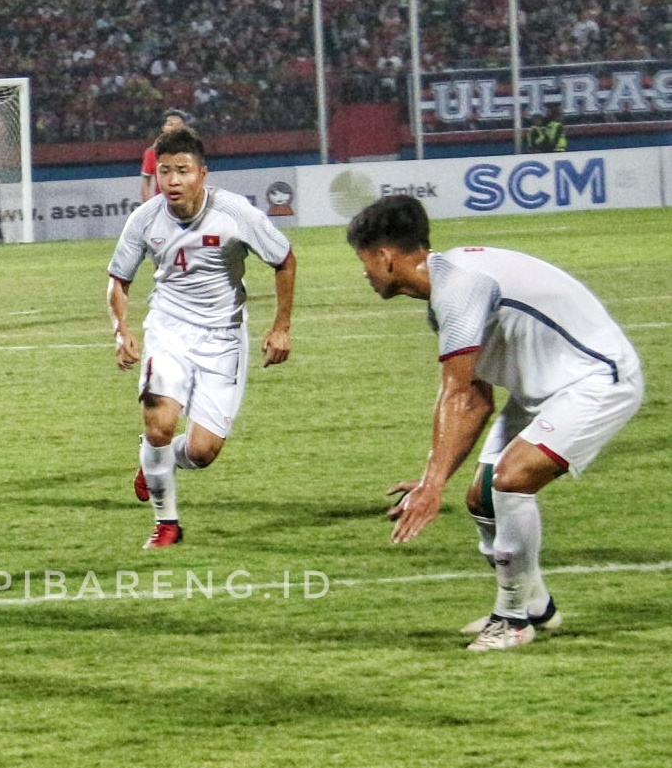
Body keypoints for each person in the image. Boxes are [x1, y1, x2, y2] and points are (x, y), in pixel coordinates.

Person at [347, 195, 643, 651]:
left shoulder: (460, 288)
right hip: (542, 389)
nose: (363, 272)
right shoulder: (448, 290)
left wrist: (432, 486)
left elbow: (458, 392)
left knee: (511, 481)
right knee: (483, 498)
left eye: (363, 260)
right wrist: (434, 478)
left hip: (596, 380)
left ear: (385, 257)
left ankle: (511, 620)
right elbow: (478, 400)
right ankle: (537, 607)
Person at [108, 127, 296, 548]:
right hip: (168, 330)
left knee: (203, 452)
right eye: (165, 172)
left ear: (202, 174)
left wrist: (281, 326)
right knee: (159, 424)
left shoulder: (235, 213)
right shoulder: (144, 219)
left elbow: (284, 260)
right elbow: (118, 280)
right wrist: (121, 330)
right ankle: (166, 522)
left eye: (182, 171)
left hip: (223, 337)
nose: (172, 181)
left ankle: (153, 462)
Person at [140, 109, 191, 202]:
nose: (175, 128)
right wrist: (147, 208)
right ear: (163, 127)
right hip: (164, 204)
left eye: (179, 124)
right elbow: (145, 184)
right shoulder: (152, 152)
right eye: (170, 124)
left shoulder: (192, 151)